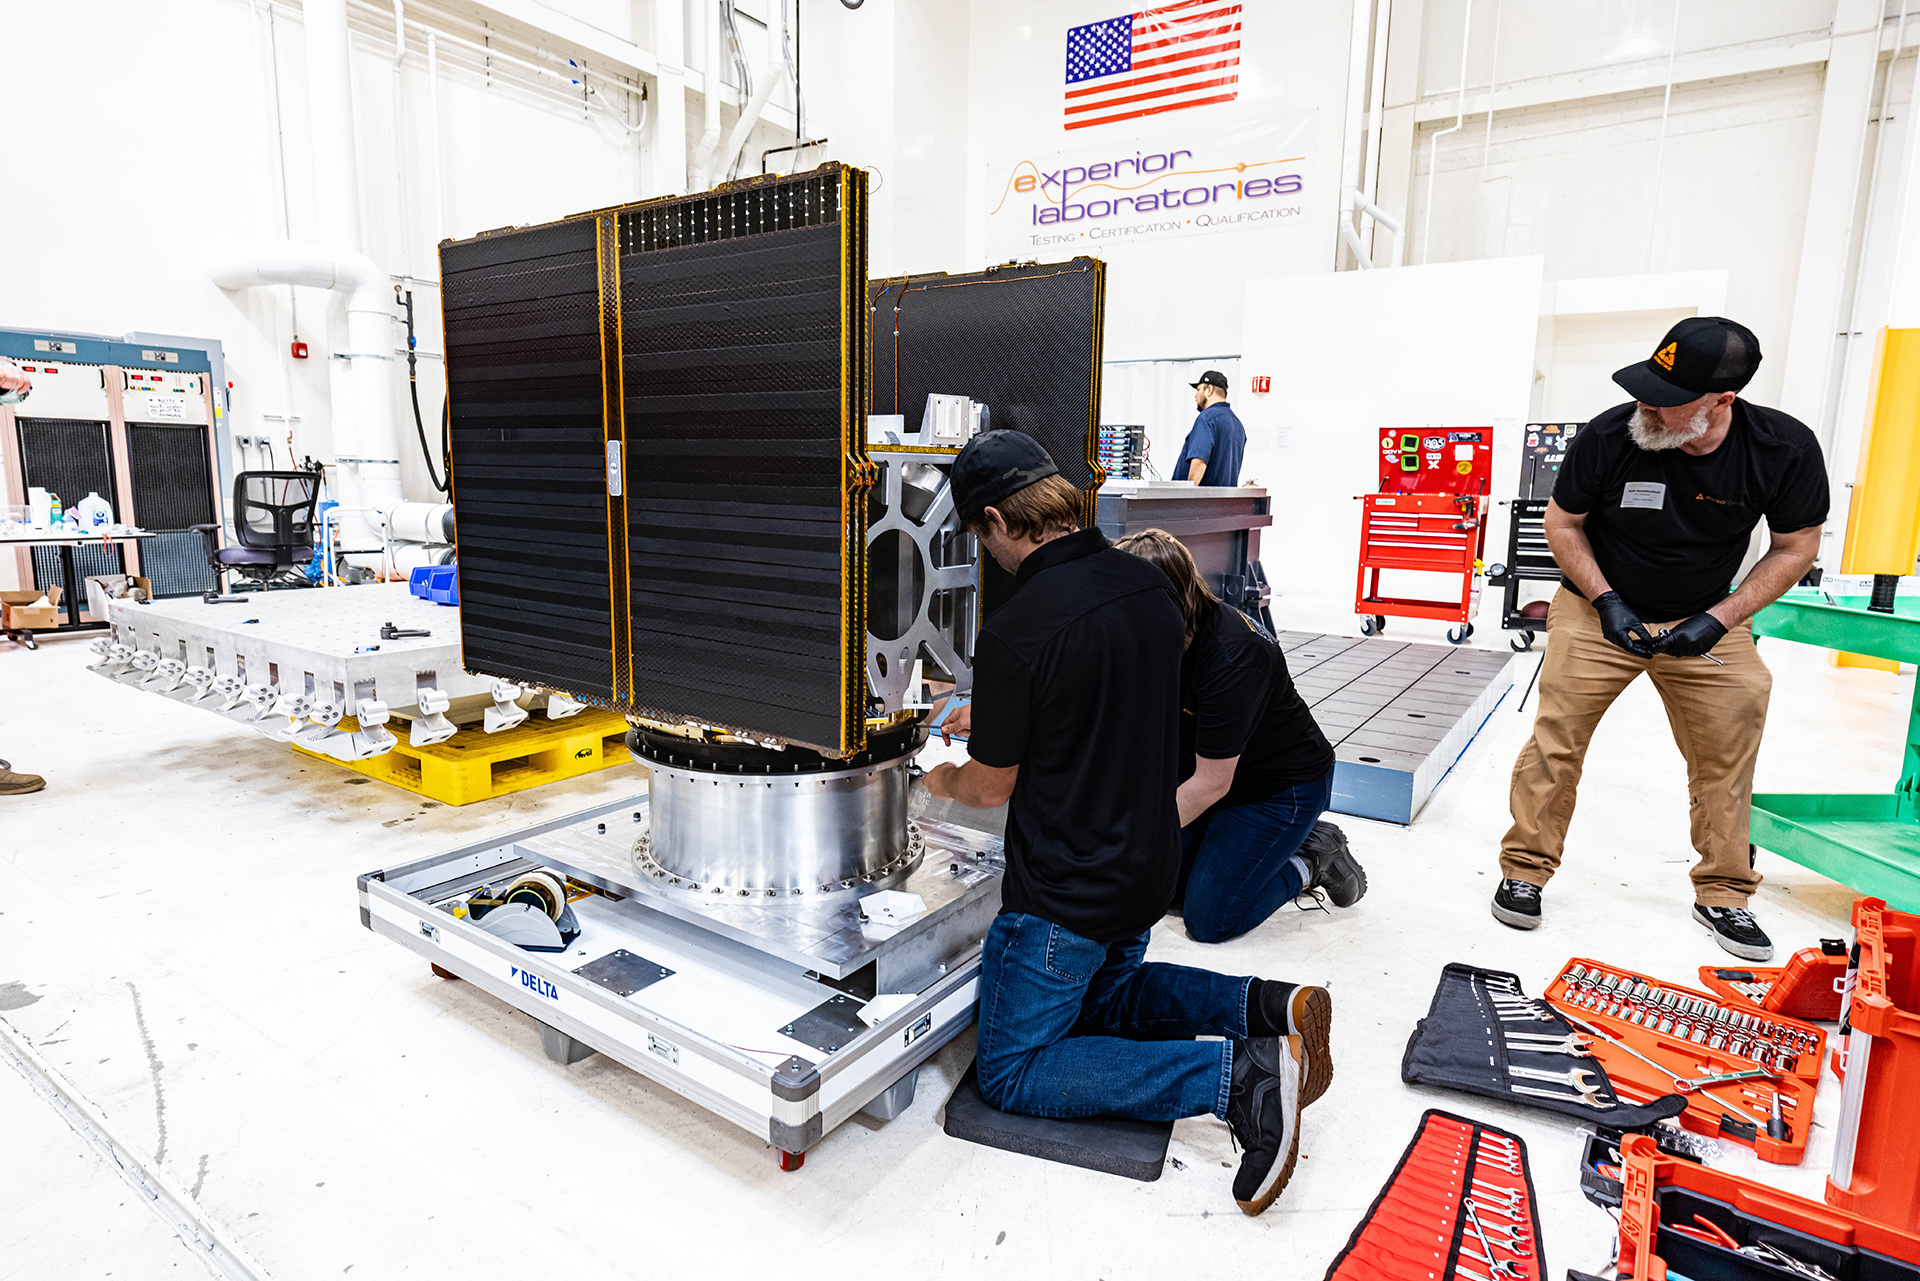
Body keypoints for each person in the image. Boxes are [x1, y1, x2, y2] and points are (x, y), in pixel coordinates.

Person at [922, 430, 1326, 1216]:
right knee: (1107, 1002)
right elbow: (1097, 699)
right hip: (1145, 869)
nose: (985, 551)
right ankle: (1266, 1006)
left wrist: (940, 775)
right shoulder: (1149, 587)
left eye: (978, 534)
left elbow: (989, 788)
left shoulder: (1016, 629)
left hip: (1064, 899)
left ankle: (1235, 1077)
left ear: (997, 519)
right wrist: (1004, 714)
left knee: (1011, 1070)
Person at [1490, 317, 1826, 961]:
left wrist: (1720, 619)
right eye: (1646, 386)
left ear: (1722, 400)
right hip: (1596, 610)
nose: (1645, 404)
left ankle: (1724, 893)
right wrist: (1606, 600)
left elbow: (1794, 547)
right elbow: (1563, 524)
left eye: (1667, 398)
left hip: (1707, 615)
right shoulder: (1610, 435)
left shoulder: (1782, 449)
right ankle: (1525, 870)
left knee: (1727, 753)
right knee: (1556, 740)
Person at [1115, 529, 1367, 943]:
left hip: (1276, 790)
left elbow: (1212, 783)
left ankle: (1312, 857)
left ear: (1164, 601)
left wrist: (1134, 835)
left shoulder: (1233, 657)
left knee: (1209, 919)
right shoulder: (1151, 635)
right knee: (1157, 892)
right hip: (1206, 772)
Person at [1171, 370, 1245, 486]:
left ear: (1209, 390)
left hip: (1201, 497)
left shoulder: (1206, 419)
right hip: (1225, 497)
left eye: (1198, 390)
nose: (1196, 395)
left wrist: (1185, 494)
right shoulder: (1237, 424)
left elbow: (1199, 462)